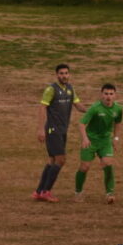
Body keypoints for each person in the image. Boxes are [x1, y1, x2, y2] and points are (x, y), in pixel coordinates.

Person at [34, 63, 80, 202]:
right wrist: (41, 129)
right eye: (61, 73)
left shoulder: (70, 89)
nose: (64, 76)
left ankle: (39, 191)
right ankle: (46, 192)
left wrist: (94, 109)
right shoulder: (51, 89)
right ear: (57, 75)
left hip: (63, 130)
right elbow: (42, 108)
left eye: (66, 73)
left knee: (52, 160)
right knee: (61, 159)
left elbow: (78, 105)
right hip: (53, 129)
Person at [75, 84, 123, 204]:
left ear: (115, 95)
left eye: (111, 94)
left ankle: (109, 193)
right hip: (91, 140)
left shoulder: (118, 109)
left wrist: (116, 138)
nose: (108, 97)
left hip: (105, 141)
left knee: (108, 163)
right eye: (106, 94)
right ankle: (78, 192)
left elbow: (117, 123)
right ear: (101, 95)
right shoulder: (95, 108)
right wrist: (85, 139)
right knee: (84, 167)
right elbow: (81, 124)